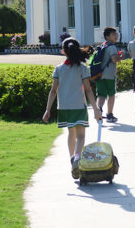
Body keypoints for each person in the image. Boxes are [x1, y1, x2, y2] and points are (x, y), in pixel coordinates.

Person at [43, 38, 103, 178]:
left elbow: (53, 91)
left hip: (64, 107)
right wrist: (96, 109)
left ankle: (72, 159)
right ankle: (77, 158)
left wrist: (47, 110)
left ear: (63, 52)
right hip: (79, 106)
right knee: (81, 136)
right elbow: (88, 90)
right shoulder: (82, 68)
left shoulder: (59, 69)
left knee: (71, 133)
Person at [94, 27, 121, 123]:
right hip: (109, 74)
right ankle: (109, 114)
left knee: (101, 95)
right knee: (111, 94)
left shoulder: (102, 46)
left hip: (99, 74)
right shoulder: (112, 47)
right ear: (107, 36)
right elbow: (114, 59)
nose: (116, 36)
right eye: (113, 34)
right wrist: (121, 56)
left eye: (116, 34)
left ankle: (99, 111)